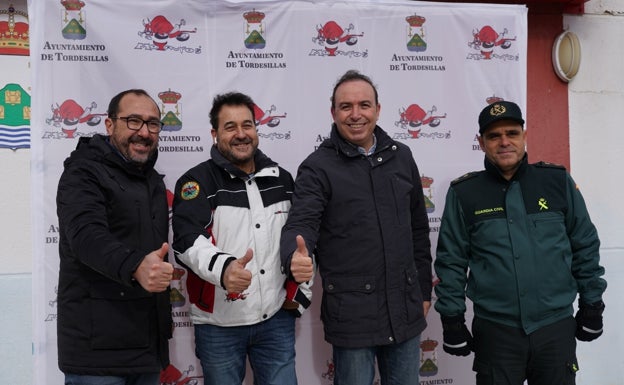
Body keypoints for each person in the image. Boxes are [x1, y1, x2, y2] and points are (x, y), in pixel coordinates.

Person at [434, 100, 607, 385]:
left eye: (512, 133)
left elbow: (584, 244)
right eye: (494, 136)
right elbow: (451, 261)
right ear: (481, 142)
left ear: (525, 136)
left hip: (554, 328)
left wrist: (593, 304)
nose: (504, 142)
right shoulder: (465, 193)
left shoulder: (556, 181)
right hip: (496, 332)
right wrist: (452, 319)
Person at [280, 70, 433, 385]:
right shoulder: (317, 167)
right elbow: (301, 223)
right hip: (351, 317)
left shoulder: (402, 157)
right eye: (345, 106)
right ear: (333, 113)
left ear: (378, 109)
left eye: (364, 104)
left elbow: (418, 229)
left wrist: (423, 290)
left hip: (405, 310)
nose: (355, 114)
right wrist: (294, 257)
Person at [171, 92, 312, 385]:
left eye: (247, 125)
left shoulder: (282, 179)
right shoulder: (195, 182)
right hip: (218, 326)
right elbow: (187, 241)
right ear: (214, 133)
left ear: (256, 130)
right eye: (230, 126)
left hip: (275, 320)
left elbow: (299, 240)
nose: (240, 134)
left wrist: (300, 293)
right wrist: (224, 268)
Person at [56, 89, 173, 385]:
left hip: (146, 347)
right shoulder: (82, 172)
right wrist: (136, 265)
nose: (144, 132)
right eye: (133, 121)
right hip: (97, 355)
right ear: (110, 125)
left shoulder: (153, 182)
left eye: (153, 123)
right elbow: (86, 237)